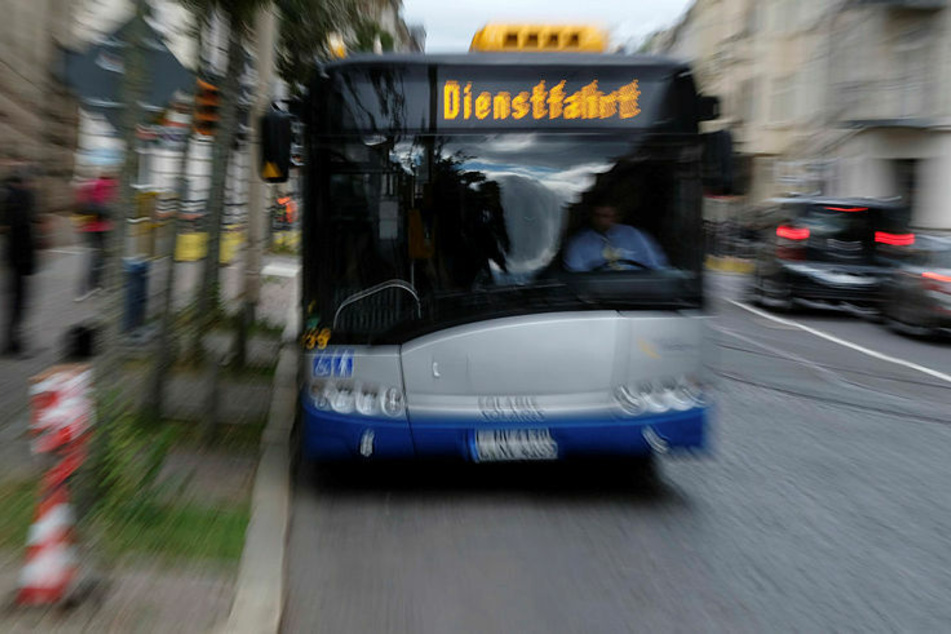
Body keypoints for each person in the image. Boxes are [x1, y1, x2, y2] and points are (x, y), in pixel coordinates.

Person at [563, 203, 669, 272]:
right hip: (597, 296)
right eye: (598, 215)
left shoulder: (634, 235)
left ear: (616, 217)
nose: (601, 220)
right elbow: (577, 276)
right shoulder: (578, 242)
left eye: (606, 216)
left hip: (637, 291)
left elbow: (656, 266)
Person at [1, 170, 38, 356]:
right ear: (23, 182)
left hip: (13, 257)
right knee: (19, 301)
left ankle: (12, 342)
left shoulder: (8, 196)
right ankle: (13, 344)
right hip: (20, 258)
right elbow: (22, 230)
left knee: (14, 300)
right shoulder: (20, 199)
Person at [76, 172, 115, 301]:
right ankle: (89, 288)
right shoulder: (106, 185)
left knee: (96, 257)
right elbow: (108, 206)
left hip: (90, 227)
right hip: (100, 227)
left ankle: (92, 287)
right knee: (97, 257)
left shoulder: (90, 184)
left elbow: (81, 203)